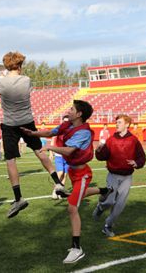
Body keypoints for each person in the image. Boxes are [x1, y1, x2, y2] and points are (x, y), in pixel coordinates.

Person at [0, 51, 69, 218]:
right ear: (20, 66)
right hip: (27, 122)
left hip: (10, 125)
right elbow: (16, 83)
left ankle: (18, 198)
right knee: (40, 152)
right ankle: (58, 184)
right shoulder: (27, 80)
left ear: (6, 66)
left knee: (11, 161)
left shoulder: (1, 83)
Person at [22, 100, 112, 264]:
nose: (68, 111)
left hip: (83, 173)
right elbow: (51, 132)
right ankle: (104, 191)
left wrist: (50, 148)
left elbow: (70, 150)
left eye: (72, 109)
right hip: (73, 172)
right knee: (77, 195)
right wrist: (32, 133)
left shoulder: (83, 132)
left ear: (79, 114)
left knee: (72, 207)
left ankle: (77, 248)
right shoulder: (68, 126)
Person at [93, 114, 146, 237]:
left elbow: (142, 157)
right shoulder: (111, 139)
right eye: (116, 122)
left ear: (127, 124)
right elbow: (102, 157)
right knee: (110, 200)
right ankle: (101, 207)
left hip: (127, 177)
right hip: (113, 175)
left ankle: (108, 226)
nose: (117, 124)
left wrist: (136, 163)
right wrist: (99, 150)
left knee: (120, 205)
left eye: (120, 122)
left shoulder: (133, 140)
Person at [49, 115, 70, 199]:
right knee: (60, 173)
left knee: (65, 174)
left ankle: (61, 191)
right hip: (59, 155)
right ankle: (55, 190)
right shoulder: (58, 129)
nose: (66, 122)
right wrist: (51, 153)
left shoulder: (71, 131)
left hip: (67, 156)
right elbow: (53, 140)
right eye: (64, 121)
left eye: (67, 121)